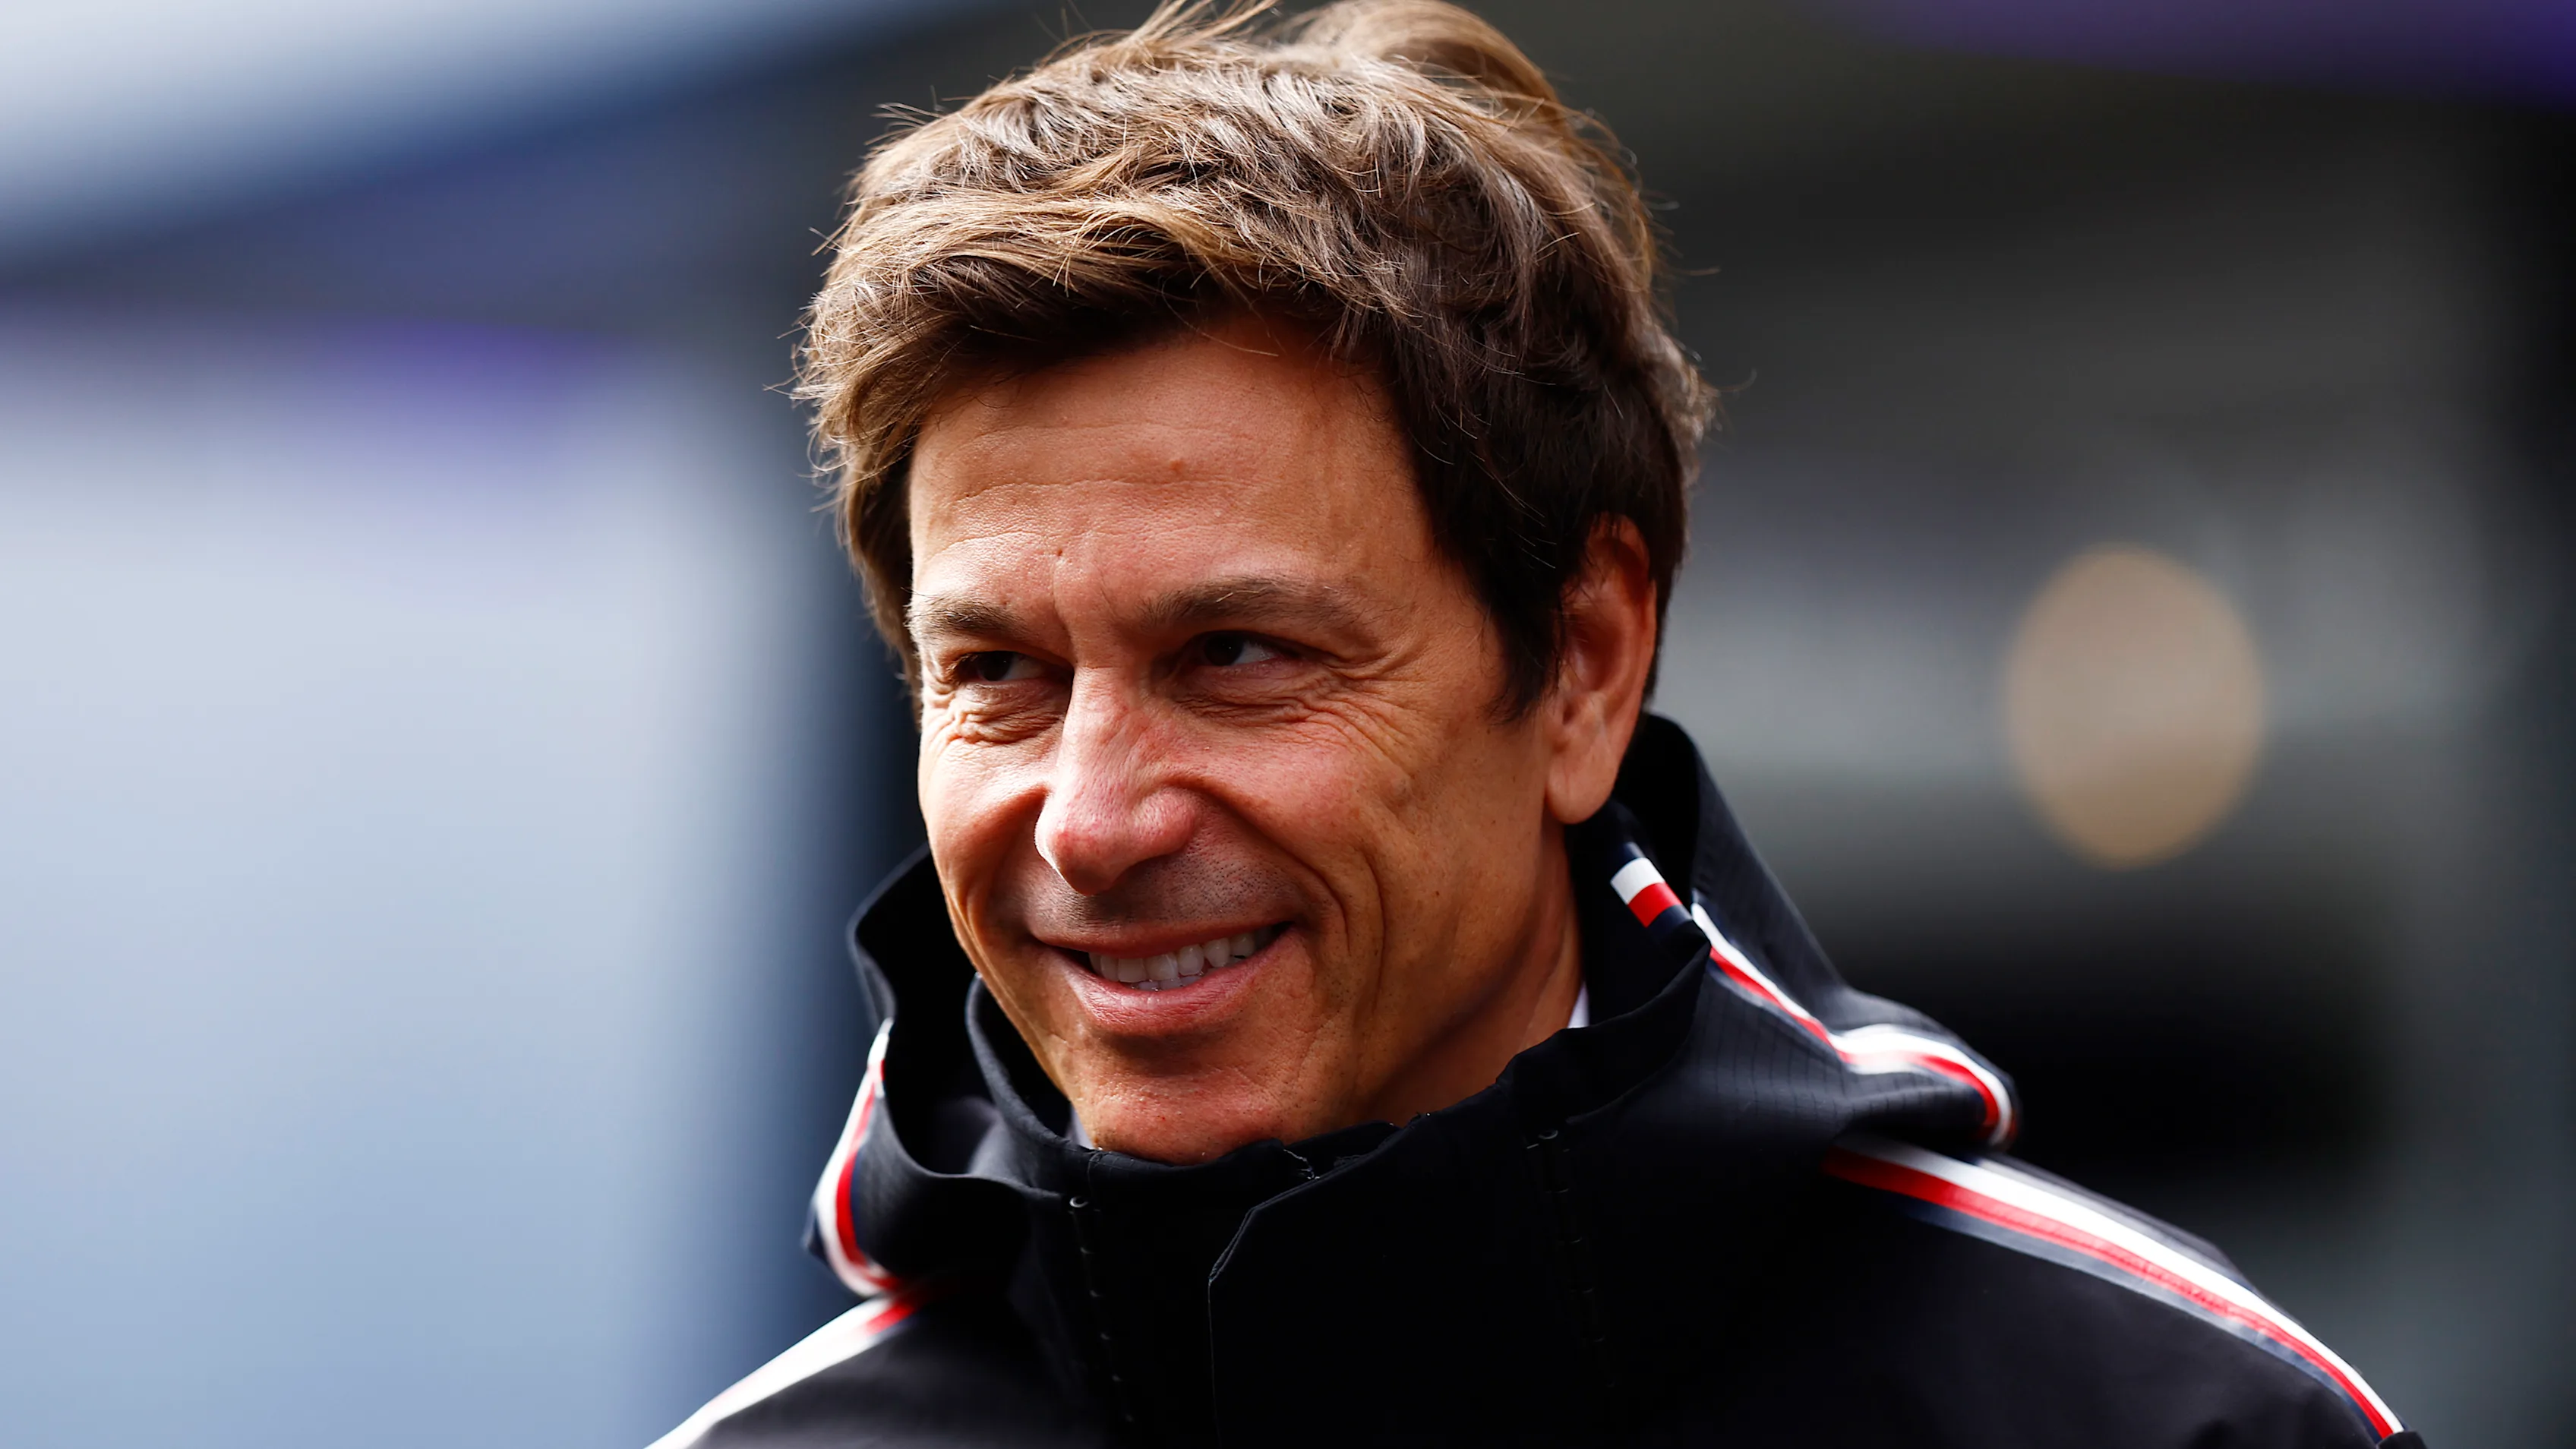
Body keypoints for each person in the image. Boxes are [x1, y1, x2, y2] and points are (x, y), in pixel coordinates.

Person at [652, 3, 2417, 1444]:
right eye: (998, 678)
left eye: (1239, 655)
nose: (1091, 823)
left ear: (1581, 665)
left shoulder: (2157, 1422)